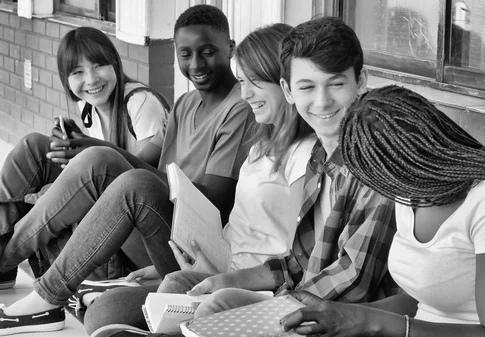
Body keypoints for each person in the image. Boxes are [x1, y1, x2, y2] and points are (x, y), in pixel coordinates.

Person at [0, 4, 255, 335]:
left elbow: (212, 201)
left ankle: (21, 273)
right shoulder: (185, 104)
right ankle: (7, 256)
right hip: (156, 234)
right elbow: (153, 169)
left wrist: (101, 152)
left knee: (109, 167)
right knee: (44, 147)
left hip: (194, 250)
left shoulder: (238, 109)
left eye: (207, 52)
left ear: (230, 49)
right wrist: (86, 153)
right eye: (185, 54)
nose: (196, 64)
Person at [82, 23, 317, 335]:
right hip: (217, 267)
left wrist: (227, 276)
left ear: (285, 84)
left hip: (255, 287)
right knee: (103, 313)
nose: (245, 94)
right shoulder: (261, 145)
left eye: (255, 83)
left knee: (127, 183)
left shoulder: (308, 156)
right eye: (243, 82)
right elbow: (240, 226)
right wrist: (202, 265)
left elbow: (302, 257)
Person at [279, 85, 485, 337]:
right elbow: (424, 302)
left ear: (414, 158)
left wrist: (365, 321)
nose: (380, 187)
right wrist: (336, 315)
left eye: (380, 174)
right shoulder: (410, 196)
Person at [171, 16, 397, 319]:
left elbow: (353, 280)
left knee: (214, 307)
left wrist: (274, 303)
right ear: (289, 91)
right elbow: (298, 260)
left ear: (361, 81)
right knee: (198, 295)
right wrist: (230, 279)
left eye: (336, 83)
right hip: (301, 298)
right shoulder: (319, 158)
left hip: (343, 317)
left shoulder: (373, 163)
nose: (322, 101)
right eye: (307, 87)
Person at [0, 26, 169, 289]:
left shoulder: (140, 103)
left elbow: (137, 176)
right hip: (112, 208)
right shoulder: (89, 106)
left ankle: (4, 258)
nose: (91, 80)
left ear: (115, 62)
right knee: (34, 146)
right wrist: (71, 153)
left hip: (145, 231)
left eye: (99, 65)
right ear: (65, 78)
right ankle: (1, 246)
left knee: (77, 178)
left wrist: (71, 173)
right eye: (78, 72)